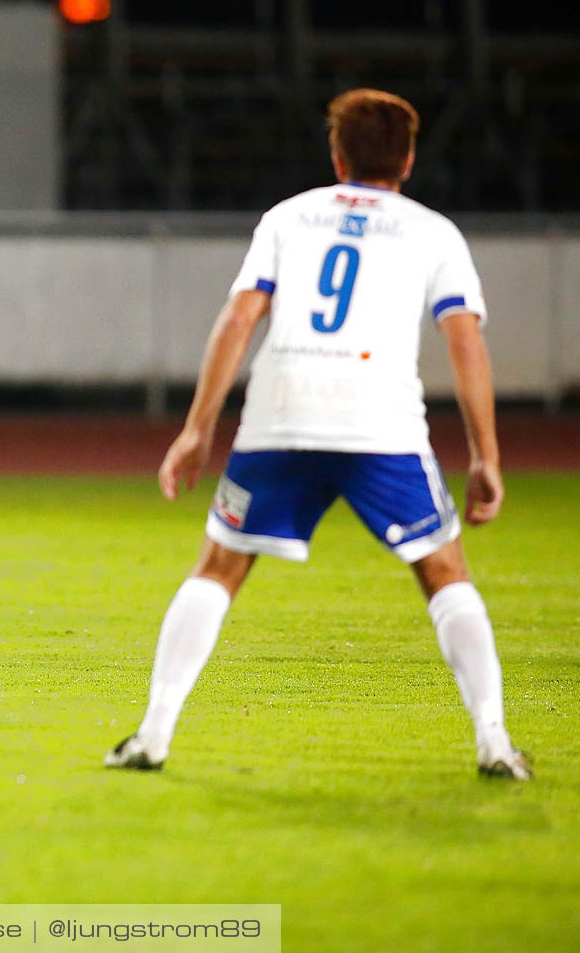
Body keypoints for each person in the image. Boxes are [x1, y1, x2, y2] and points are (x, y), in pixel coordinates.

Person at [107, 88, 530, 780]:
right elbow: (465, 343)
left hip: (283, 411)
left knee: (219, 567)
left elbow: (240, 320)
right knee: (444, 572)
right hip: (380, 421)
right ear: (410, 159)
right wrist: (486, 455)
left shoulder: (288, 218)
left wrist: (196, 429)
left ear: (336, 156)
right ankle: (493, 742)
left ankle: (152, 734)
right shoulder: (432, 232)